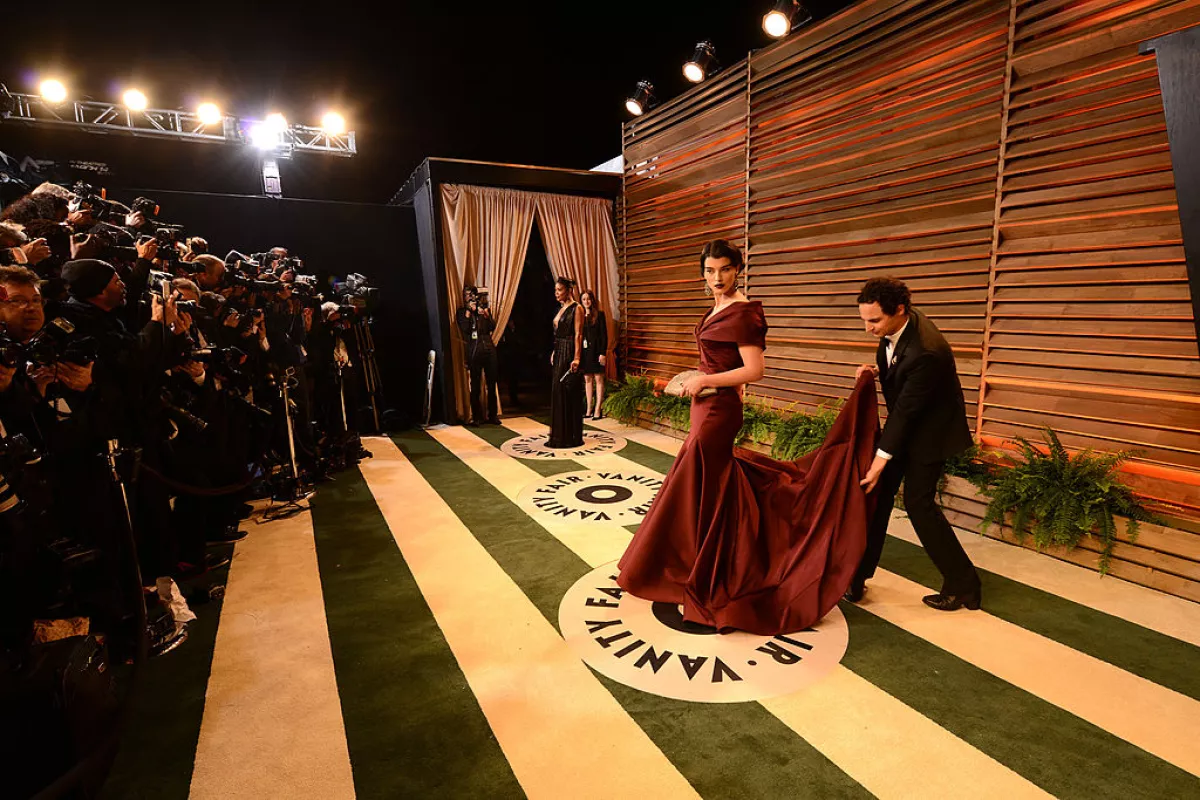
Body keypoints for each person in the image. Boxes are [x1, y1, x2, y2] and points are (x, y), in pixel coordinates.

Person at [617, 239, 879, 636]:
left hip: (717, 412)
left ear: (738, 269)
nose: (717, 277)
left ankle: (709, 569)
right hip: (706, 404)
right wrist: (703, 379)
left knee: (700, 482)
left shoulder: (743, 313)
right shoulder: (718, 307)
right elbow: (723, 362)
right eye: (710, 271)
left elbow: (755, 370)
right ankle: (697, 561)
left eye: (725, 269)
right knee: (706, 485)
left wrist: (707, 381)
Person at [846, 277, 982, 611]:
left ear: (899, 310)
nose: (868, 328)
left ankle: (964, 585)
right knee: (877, 497)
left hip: (932, 433)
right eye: (864, 319)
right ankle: (855, 576)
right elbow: (900, 371)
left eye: (874, 321)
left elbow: (906, 410)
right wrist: (876, 372)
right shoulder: (899, 326)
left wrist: (880, 460)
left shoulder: (928, 351)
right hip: (907, 426)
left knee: (918, 505)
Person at [546, 276, 584, 449]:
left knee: (566, 391)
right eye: (555, 290)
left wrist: (577, 357)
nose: (556, 293)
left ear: (569, 291)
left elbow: (578, 334)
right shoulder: (561, 308)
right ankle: (559, 435)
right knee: (557, 391)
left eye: (559, 290)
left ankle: (570, 436)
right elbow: (558, 333)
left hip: (569, 351)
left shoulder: (577, 308)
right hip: (559, 350)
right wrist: (555, 350)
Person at [455, 285, 499, 426]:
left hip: (488, 347)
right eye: (467, 294)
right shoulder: (462, 312)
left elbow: (492, 326)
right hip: (474, 349)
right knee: (475, 385)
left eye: (472, 294)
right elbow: (465, 329)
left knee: (491, 383)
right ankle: (477, 416)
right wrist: (469, 311)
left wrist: (485, 314)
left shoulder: (482, 309)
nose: (470, 297)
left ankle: (493, 415)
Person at [579, 289, 608, 420]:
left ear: (592, 300)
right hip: (585, 352)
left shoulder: (599, 315)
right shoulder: (579, 315)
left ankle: (597, 409)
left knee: (598, 379)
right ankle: (589, 409)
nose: (586, 301)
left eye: (588, 299)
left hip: (597, 351)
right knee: (587, 380)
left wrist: (603, 353)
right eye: (584, 299)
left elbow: (604, 336)